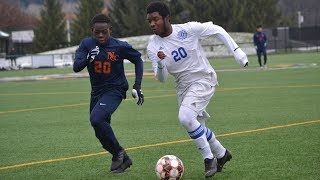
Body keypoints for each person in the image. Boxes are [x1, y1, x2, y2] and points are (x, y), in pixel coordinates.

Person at [146, 1, 248, 178]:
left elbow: (218, 30)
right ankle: (222, 154)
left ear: (167, 18)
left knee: (185, 117)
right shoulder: (153, 46)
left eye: (156, 19)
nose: (152, 24)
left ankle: (209, 159)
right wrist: (161, 63)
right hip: (182, 86)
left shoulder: (189, 29)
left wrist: (238, 52)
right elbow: (161, 79)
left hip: (203, 79)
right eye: (149, 21)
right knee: (195, 125)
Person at [73, 14, 144, 173]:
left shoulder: (119, 46)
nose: (100, 35)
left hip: (115, 90)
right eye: (97, 32)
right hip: (96, 92)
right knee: (99, 129)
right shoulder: (86, 44)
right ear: (92, 31)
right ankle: (124, 159)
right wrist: (87, 59)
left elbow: (138, 60)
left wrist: (137, 85)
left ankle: (118, 153)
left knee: (96, 118)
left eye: (104, 32)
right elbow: (76, 67)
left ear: (110, 30)